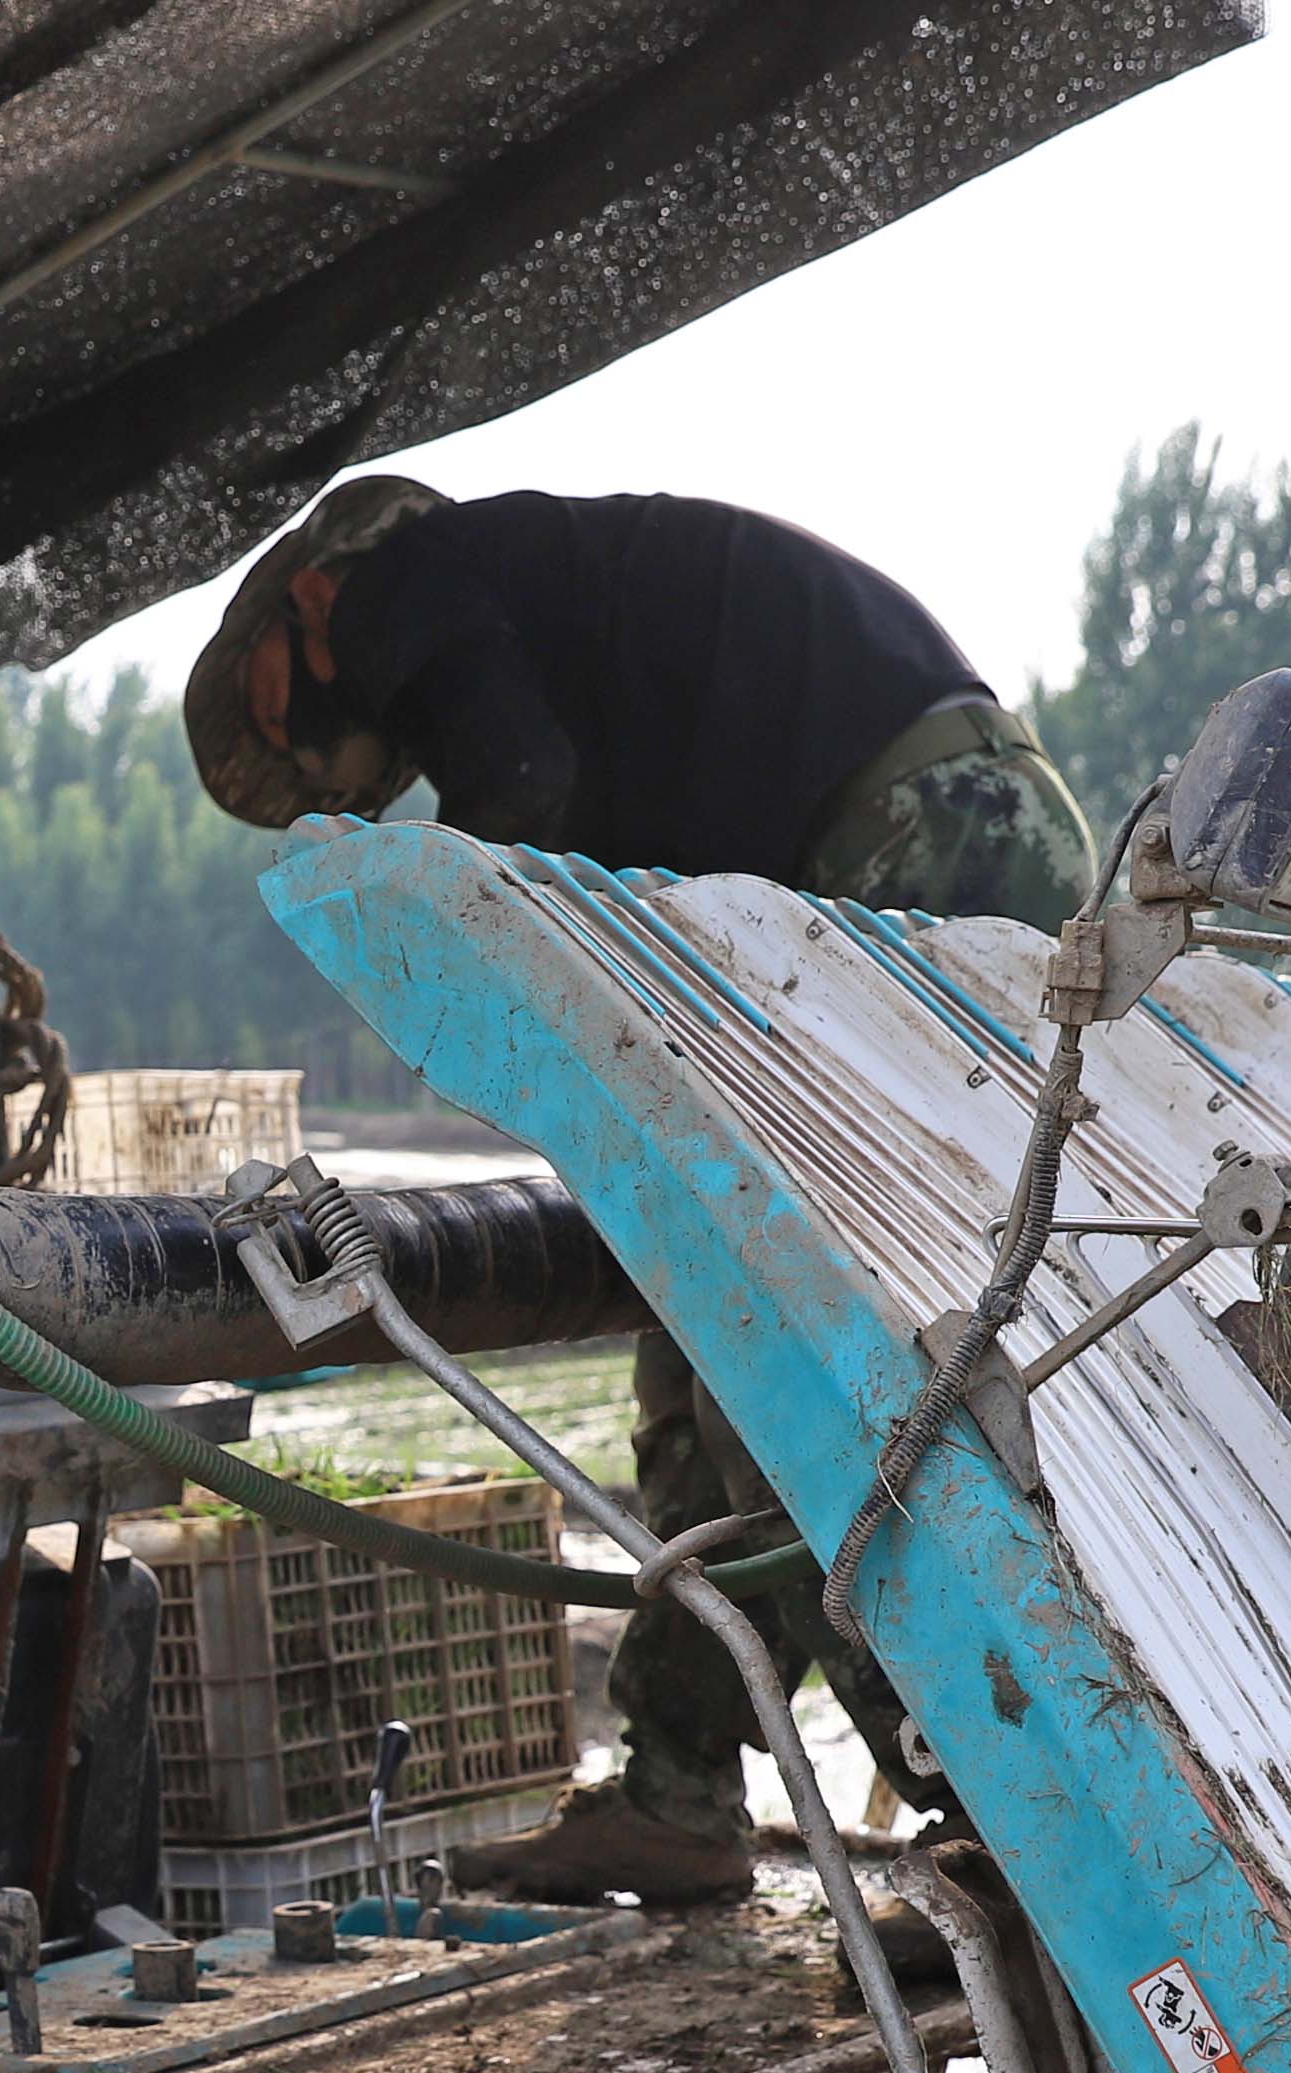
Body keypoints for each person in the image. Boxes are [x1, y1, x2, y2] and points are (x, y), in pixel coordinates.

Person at [188, 478, 1099, 1906]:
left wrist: (487, 992)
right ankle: (678, 1796)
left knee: (789, 1367)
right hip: (973, 822)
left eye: (321, 769)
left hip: (905, 840)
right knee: (699, 1347)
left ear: (295, 618)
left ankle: (986, 1828)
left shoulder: (390, 580)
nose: (349, 785)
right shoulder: (546, 602)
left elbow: (520, 804)